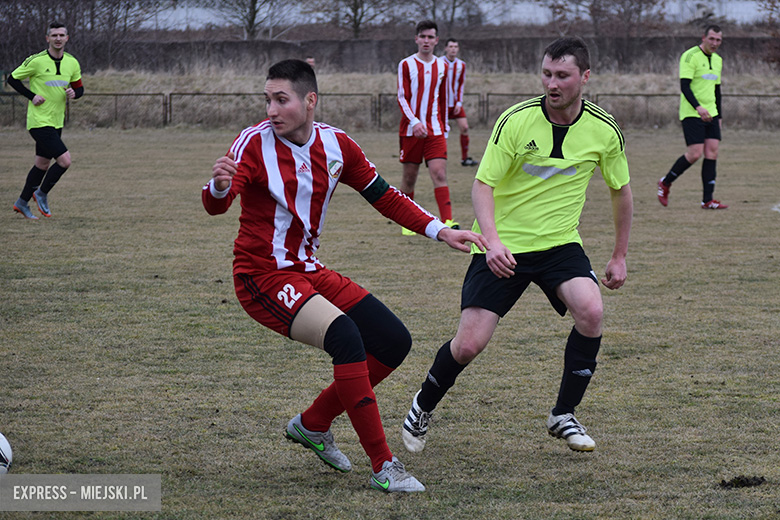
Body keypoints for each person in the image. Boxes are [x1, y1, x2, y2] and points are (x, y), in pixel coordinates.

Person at [202, 59, 487, 493]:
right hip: (262, 276)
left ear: (310, 100)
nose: (272, 109)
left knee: (394, 341)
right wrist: (218, 186)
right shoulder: (253, 144)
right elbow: (217, 204)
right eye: (267, 100)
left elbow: (385, 196)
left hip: (308, 270)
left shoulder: (337, 145)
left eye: (282, 99)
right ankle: (384, 465)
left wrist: (440, 230)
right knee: (346, 338)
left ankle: (313, 424)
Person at [401, 37, 633, 455]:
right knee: (468, 344)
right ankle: (422, 405)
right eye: (546, 74)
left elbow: (621, 191)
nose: (552, 83)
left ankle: (564, 414)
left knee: (592, 310)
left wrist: (619, 254)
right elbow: (483, 185)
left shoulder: (604, 129)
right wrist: (492, 242)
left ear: (584, 77)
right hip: (502, 243)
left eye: (562, 75)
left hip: (560, 244)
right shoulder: (516, 120)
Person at [7, 22, 83, 219]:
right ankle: (40, 193)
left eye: (61, 35)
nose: (58, 38)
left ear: (67, 38)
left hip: (57, 121)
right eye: (54, 35)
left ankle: (22, 203)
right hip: (39, 121)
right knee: (65, 161)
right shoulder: (36, 60)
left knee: (42, 164)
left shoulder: (72, 62)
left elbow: (80, 88)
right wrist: (32, 96)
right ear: (47, 38)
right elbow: (12, 79)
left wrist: (75, 93)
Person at [397, 20, 458, 235]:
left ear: (436, 40)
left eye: (430, 37)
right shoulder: (406, 64)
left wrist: (445, 126)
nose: (426, 40)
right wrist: (415, 122)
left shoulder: (442, 66)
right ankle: (407, 222)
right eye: (422, 36)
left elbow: (442, 99)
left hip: (436, 130)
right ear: (416, 39)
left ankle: (448, 221)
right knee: (409, 178)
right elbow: (402, 98)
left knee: (439, 173)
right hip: (411, 131)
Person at [658, 24, 727, 209]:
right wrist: (698, 108)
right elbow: (685, 86)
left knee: (712, 152)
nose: (715, 43)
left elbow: (717, 91)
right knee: (695, 154)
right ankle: (665, 182)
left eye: (718, 40)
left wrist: (719, 116)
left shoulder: (718, 60)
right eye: (712, 38)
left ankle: (708, 200)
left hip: (712, 114)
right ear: (703, 37)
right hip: (691, 113)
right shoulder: (690, 56)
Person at [442, 38, 478, 167]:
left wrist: (459, 102)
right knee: (441, 132)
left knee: (464, 127)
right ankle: (439, 158)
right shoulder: (439, 62)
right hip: (442, 105)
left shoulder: (461, 65)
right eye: (450, 46)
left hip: (455, 104)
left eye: (455, 47)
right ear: (446, 48)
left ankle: (465, 158)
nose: (453, 49)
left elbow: (461, 84)